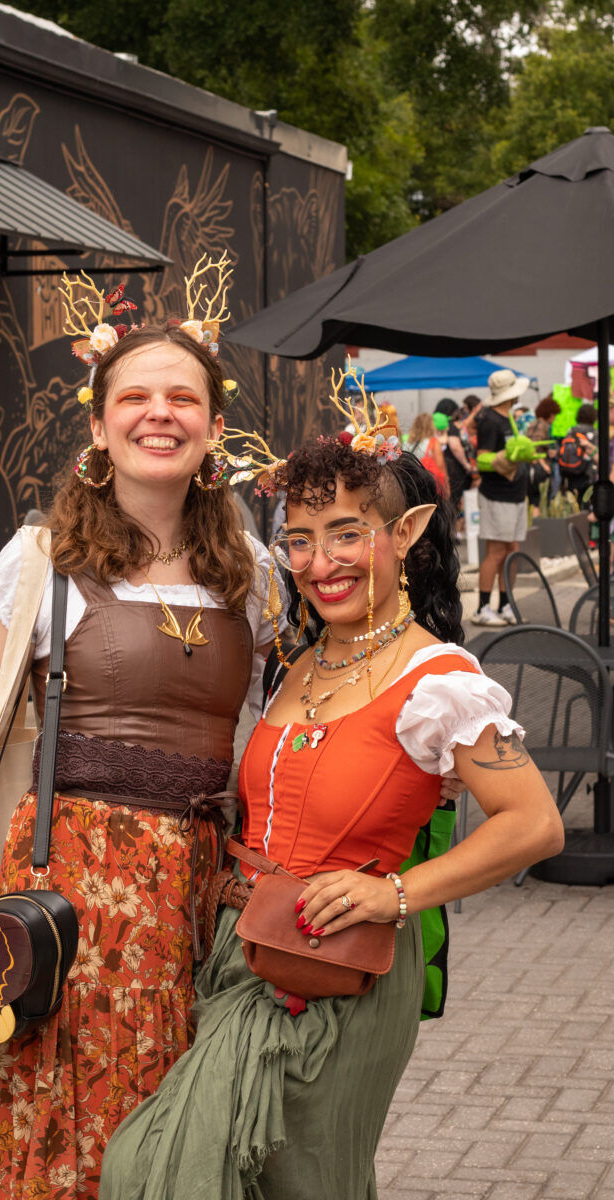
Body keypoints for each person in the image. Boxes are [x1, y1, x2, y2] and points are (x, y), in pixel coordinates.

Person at [0, 262, 284, 1198]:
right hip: (75, 893)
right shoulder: (43, 562)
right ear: (102, 424)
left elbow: (282, 730)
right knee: (64, 1124)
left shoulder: (257, 574)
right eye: (137, 397)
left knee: (186, 1132)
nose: (161, 414)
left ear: (214, 428)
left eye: (182, 398)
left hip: (208, 891)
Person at [100, 372, 564, 1200]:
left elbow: (532, 826)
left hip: (338, 971)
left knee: (204, 1174)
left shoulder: (439, 679)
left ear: (406, 533)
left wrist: (397, 895)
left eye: (347, 534)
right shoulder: (301, 661)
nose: (322, 563)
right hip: (243, 955)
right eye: (302, 539)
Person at [471, 368, 530, 627]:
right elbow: (482, 457)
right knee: (497, 551)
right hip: (498, 494)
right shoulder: (490, 420)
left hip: (514, 494)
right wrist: (508, 458)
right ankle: (483, 607)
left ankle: (505, 605)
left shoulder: (507, 418)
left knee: (511, 550)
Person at [435, 398, 473, 519]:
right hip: (452, 471)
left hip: (437, 470)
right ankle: (452, 532)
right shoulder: (449, 426)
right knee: (452, 505)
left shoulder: (433, 425)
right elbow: (455, 446)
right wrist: (466, 464)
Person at [558, 401, 597, 505]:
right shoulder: (594, 433)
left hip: (570, 472)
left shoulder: (571, 431)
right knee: (586, 502)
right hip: (587, 474)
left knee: (573, 504)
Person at [405, 411, 447, 494]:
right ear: (431, 426)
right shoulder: (433, 443)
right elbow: (441, 467)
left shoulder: (406, 443)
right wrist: (446, 487)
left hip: (411, 485)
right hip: (428, 486)